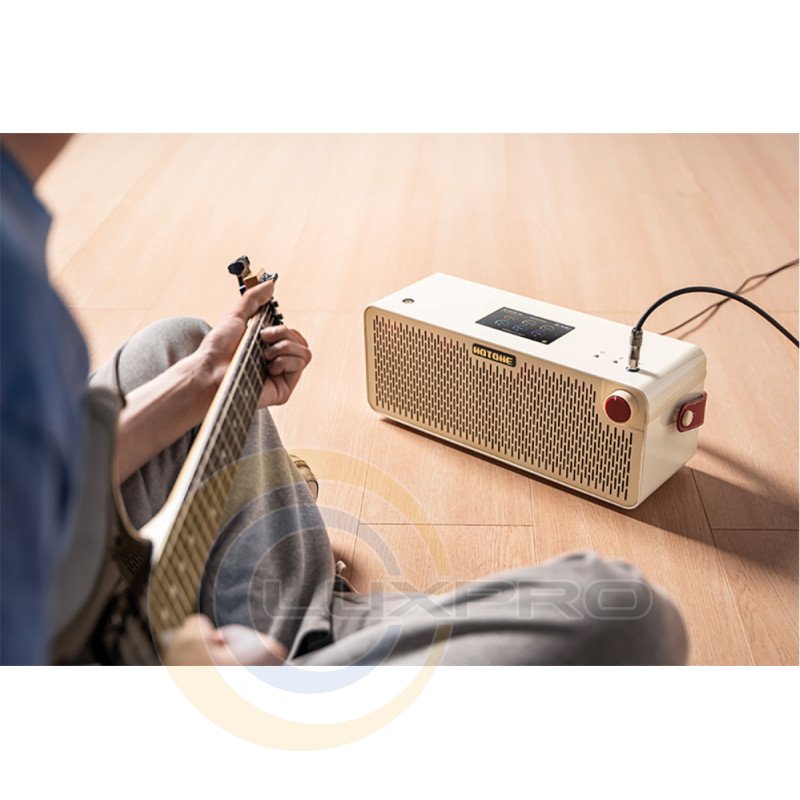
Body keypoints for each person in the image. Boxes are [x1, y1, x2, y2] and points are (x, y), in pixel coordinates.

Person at [0, 134, 689, 666]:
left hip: (72, 571)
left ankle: (291, 594)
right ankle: (307, 640)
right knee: (628, 616)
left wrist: (200, 385)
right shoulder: (16, 295)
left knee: (176, 344)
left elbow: (42, 485)